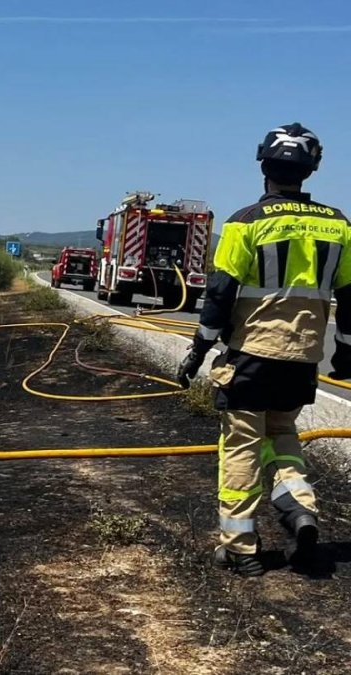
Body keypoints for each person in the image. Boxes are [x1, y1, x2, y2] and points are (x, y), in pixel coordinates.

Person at [177, 123, 351, 576]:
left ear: (264, 168)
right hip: (301, 361)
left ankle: (240, 548)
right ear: (310, 170)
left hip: (251, 355)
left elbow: (219, 293)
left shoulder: (246, 221)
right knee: (283, 438)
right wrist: (346, 353)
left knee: (241, 448)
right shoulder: (339, 225)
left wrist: (198, 350)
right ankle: (301, 510)